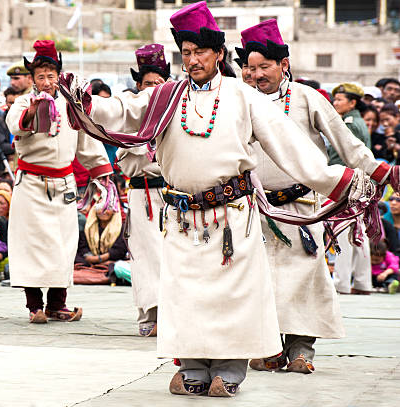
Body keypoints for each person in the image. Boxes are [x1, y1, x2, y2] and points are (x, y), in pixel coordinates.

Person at [65, 2, 385, 397]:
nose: (193, 60)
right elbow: (123, 111)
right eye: (186, 53)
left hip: (233, 216)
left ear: (218, 53)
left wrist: (340, 181)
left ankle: (231, 369)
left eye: (200, 52)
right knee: (187, 296)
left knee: (233, 296)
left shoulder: (241, 95)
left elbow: (290, 147)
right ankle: (195, 368)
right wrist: (85, 101)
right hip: (181, 217)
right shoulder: (165, 96)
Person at [242, 20, 391, 374]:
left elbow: (347, 143)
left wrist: (380, 171)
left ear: (284, 64)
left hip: (301, 209)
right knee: (258, 281)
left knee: (304, 279)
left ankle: (300, 351)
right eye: (251, 67)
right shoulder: (239, 100)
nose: (257, 74)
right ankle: (267, 347)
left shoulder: (308, 98)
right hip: (254, 209)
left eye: (265, 66)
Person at [6, 39, 113, 324]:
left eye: (51, 75)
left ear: (58, 75)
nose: (46, 81)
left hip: (64, 184)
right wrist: (35, 111)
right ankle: (34, 306)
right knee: (30, 245)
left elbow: (86, 142)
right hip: (30, 183)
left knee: (63, 245)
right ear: (33, 78)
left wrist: (102, 173)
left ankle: (57, 304)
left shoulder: (70, 104)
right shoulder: (22, 103)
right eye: (40, 76)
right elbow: (15, 124)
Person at [119, 43, 171, 337]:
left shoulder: (174, 112)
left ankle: (170, 314)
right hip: (141, 195)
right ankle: (148, 314)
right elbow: (125, 155)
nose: (153, 88)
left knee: (169, 256)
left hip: (171, 196)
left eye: (158, 83)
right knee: (144, 256)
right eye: (148, 83)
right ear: (139, 85)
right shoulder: (129, 115)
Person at [327, 83, 375, 295]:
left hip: (347, 181)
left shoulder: (350, 124)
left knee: (343, 231)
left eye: (339, 99)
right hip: (360, 182)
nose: (335, 103)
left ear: (352, 102)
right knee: (358, 231)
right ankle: (363, 283)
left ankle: (341, 282)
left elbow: (346, 156)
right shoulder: (357, 121)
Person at [75, 199, 128, 266]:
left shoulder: (121, 228)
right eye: (100, 207)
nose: (103, 211)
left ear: (114, 210)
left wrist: (100, 259)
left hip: (114, 261)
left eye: (108, 207)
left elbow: (120, 250)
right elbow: (83, 248)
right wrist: (92, 259)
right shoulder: (88, 227)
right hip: (90, 261)